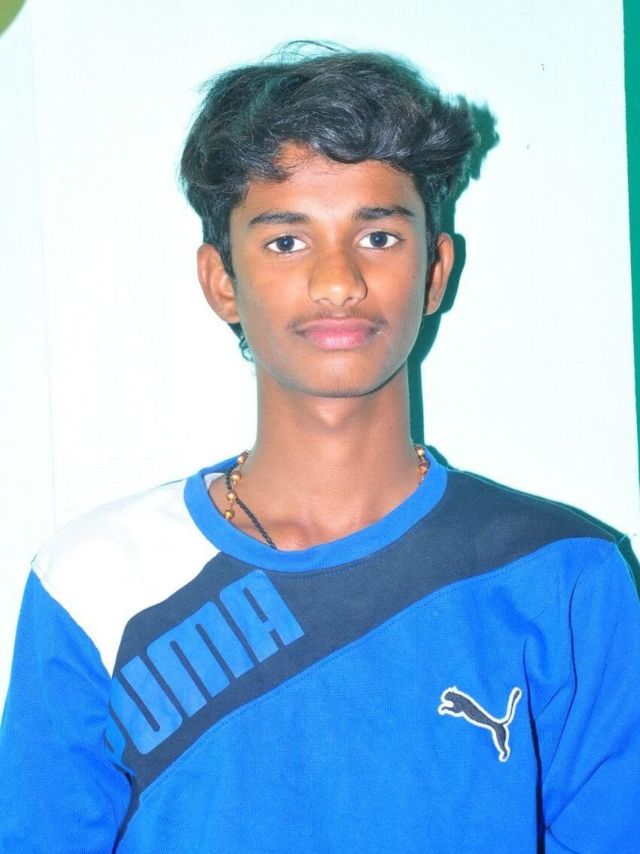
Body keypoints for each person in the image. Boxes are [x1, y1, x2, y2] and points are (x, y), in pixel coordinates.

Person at [1, 42, 639, 853]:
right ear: (221, 281)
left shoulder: (563, 574)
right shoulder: (93, 583)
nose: (338, 283)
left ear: (435, 270)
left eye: (378, 237)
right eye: (286, 242)